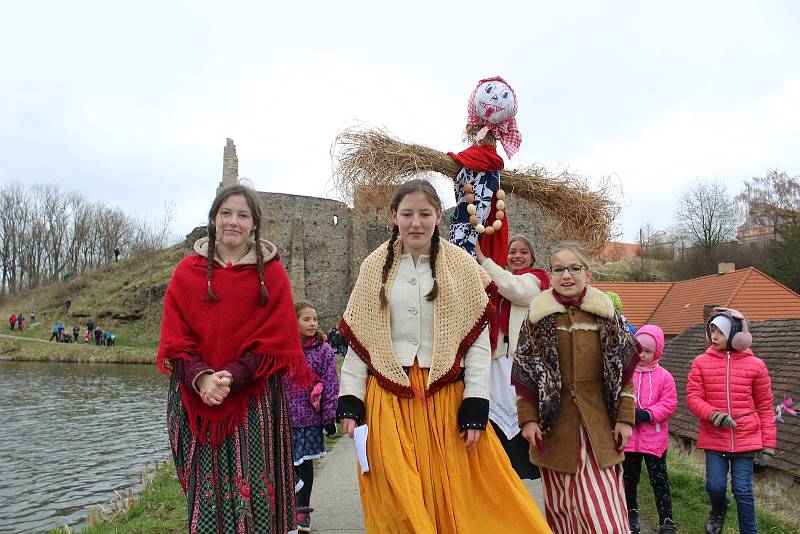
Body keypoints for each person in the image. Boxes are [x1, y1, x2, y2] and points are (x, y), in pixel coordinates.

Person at [337, 179, 549, 533]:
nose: (415, 223)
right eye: (407, 214)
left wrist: (476, 403)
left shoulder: (462, 268)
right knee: (398, 497)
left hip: (445, 398)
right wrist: (350, 401)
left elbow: (478, 344)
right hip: (388, 398)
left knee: (458, 492)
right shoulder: (373, 267)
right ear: (394, 216)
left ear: (438, 216)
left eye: (424, 214)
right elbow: (363, 339)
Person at [157, 184, 312, 533]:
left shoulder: (271, 275)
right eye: (226, 213)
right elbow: (175, 338)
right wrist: (201, 378)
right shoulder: (186, 272)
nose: (233, 222)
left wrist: (231, 376)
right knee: (205, 499)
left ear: (254, 224)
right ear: (213, 220)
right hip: (196, 397)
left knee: (255, 496)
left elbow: (276, 341)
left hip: (253, 400)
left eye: (243, 215)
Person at [512, 242, 639, 533]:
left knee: (603, 515)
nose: (566, 276)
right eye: (558, 269)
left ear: (588, 274)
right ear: (550, 274)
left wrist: (625, 418)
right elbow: (525, 373)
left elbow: (625, 373)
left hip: (599, 427)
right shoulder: (537, 318)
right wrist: (528, 419)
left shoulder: (607, 317)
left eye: (574, 268)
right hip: (555, 430)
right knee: (563, 511)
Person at [687, 308, 776, 534]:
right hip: (714, 438)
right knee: (715, 487)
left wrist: (768, 444)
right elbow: (693, 398)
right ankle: (719, 509)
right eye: (712, 330)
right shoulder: (700, 362)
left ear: (737, 335)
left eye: (720, 331)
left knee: (743, 490)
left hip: (746, 439)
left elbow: (765, 407)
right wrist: (714, 415)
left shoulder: (757, 366)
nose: (714, 336)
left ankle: (749, 531)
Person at [474, 236, 548, 480]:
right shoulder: (497, 279)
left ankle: (527, 469)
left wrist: (484, 260)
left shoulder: (537, 279)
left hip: (521, 359)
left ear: (532, 257)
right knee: (494, 415)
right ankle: (498, 471)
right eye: (512, 251)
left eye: (523, 252)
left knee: (522, 412)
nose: (517, 256)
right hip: (496, 360)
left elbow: (516, 289)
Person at [283, 301, 339, 532]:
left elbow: (331, 384)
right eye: (306, 319)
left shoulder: (323, 350)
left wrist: (329, 418)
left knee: (305, 465)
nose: (312, 323)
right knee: (287, 464)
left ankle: (302, 510)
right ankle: (287, 508)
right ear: (293, 322)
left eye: (314, 319)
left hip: (309, 419)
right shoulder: (284, 349)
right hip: (285, 419)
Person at [623, 325, 677, 534]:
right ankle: (631, 514)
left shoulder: (665, 377)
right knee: (629, 479)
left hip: (654, 440)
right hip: (628, 440)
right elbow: (618, 398)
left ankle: (666, 519)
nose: (642, 354)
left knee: (659, 480)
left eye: (647, 351)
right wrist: (628, 412)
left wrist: (648, 414)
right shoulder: (626, 374)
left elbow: (669, 403)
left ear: (657, 352)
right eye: (638, 349)